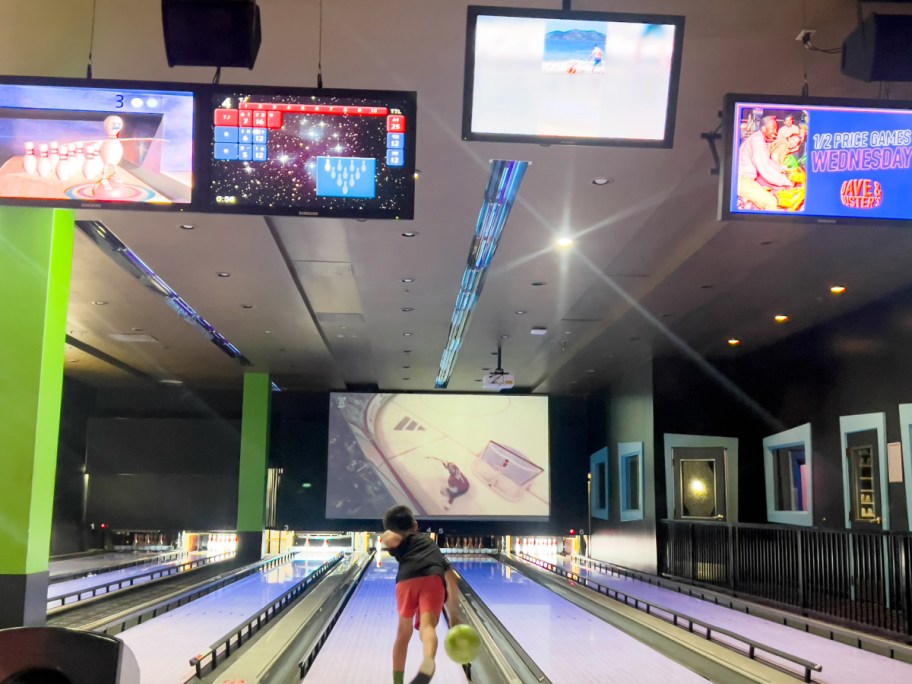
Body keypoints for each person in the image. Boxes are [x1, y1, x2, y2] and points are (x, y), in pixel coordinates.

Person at [383, 505, 462, 684]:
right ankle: (428, 660)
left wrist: (390, 536)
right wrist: (454, 616)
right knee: (427, 627)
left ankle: (398, 681)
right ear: (416, 525)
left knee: (403, 633)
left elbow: (389, 538)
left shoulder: (400, 540)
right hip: (433, 577)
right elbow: (452, 578)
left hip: (406, 580)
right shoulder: (430, 543)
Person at [737, 114, 794, 210]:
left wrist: (782, 170)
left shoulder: (759, 139)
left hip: (747, 179)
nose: (775, 131)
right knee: (772, 202)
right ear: (763, 128)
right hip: (742, 181)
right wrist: (786, 181)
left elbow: (768, 162)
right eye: (773, 128)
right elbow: (764, 167)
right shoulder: (757, 141)